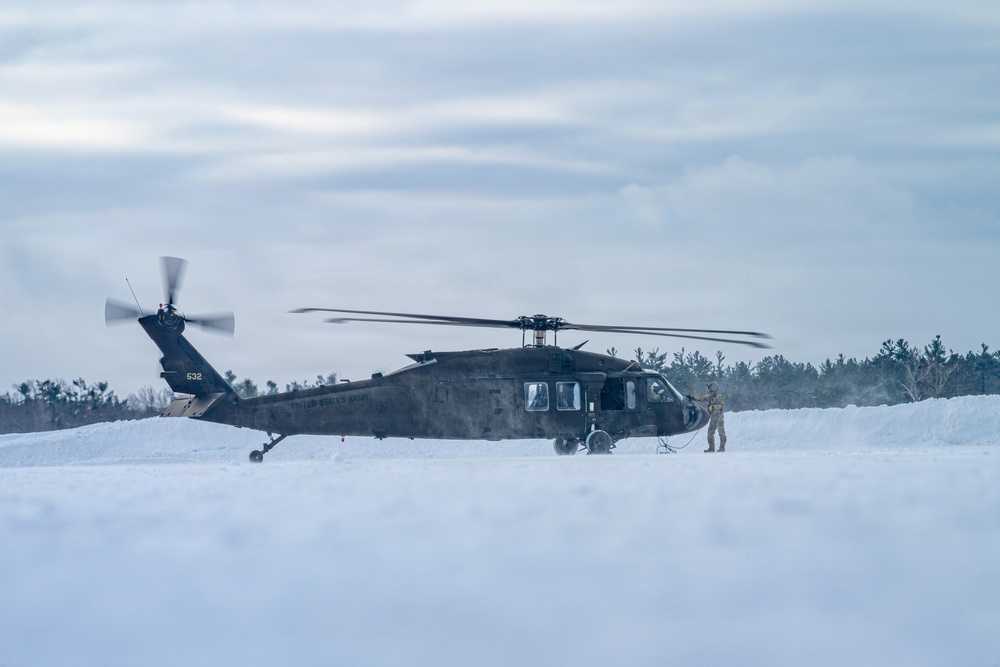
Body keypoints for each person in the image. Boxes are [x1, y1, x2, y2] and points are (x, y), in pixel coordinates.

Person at [692, 382, 726, 453]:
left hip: (716, 417)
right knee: (721, 432)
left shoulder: (718, 396)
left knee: (712, 432)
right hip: (718, 416)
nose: (708, 390)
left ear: (713, 388)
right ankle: (720, 448)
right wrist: (692, 398)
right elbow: (702, 399)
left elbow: (721, 406)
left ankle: (712, 448)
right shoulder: (711, 396)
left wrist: (713, 407)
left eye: (709, 388)